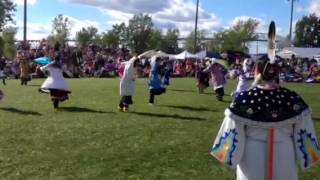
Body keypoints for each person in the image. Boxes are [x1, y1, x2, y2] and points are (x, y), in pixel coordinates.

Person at [210, 21, 320, 180]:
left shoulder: (244, 99)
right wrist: (307, 157)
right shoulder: (292, 98)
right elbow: (305, 136)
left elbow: (232, 136)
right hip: (284, 156)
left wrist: (228, 155)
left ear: (257, 71)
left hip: (252, 156)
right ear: (278, 72)